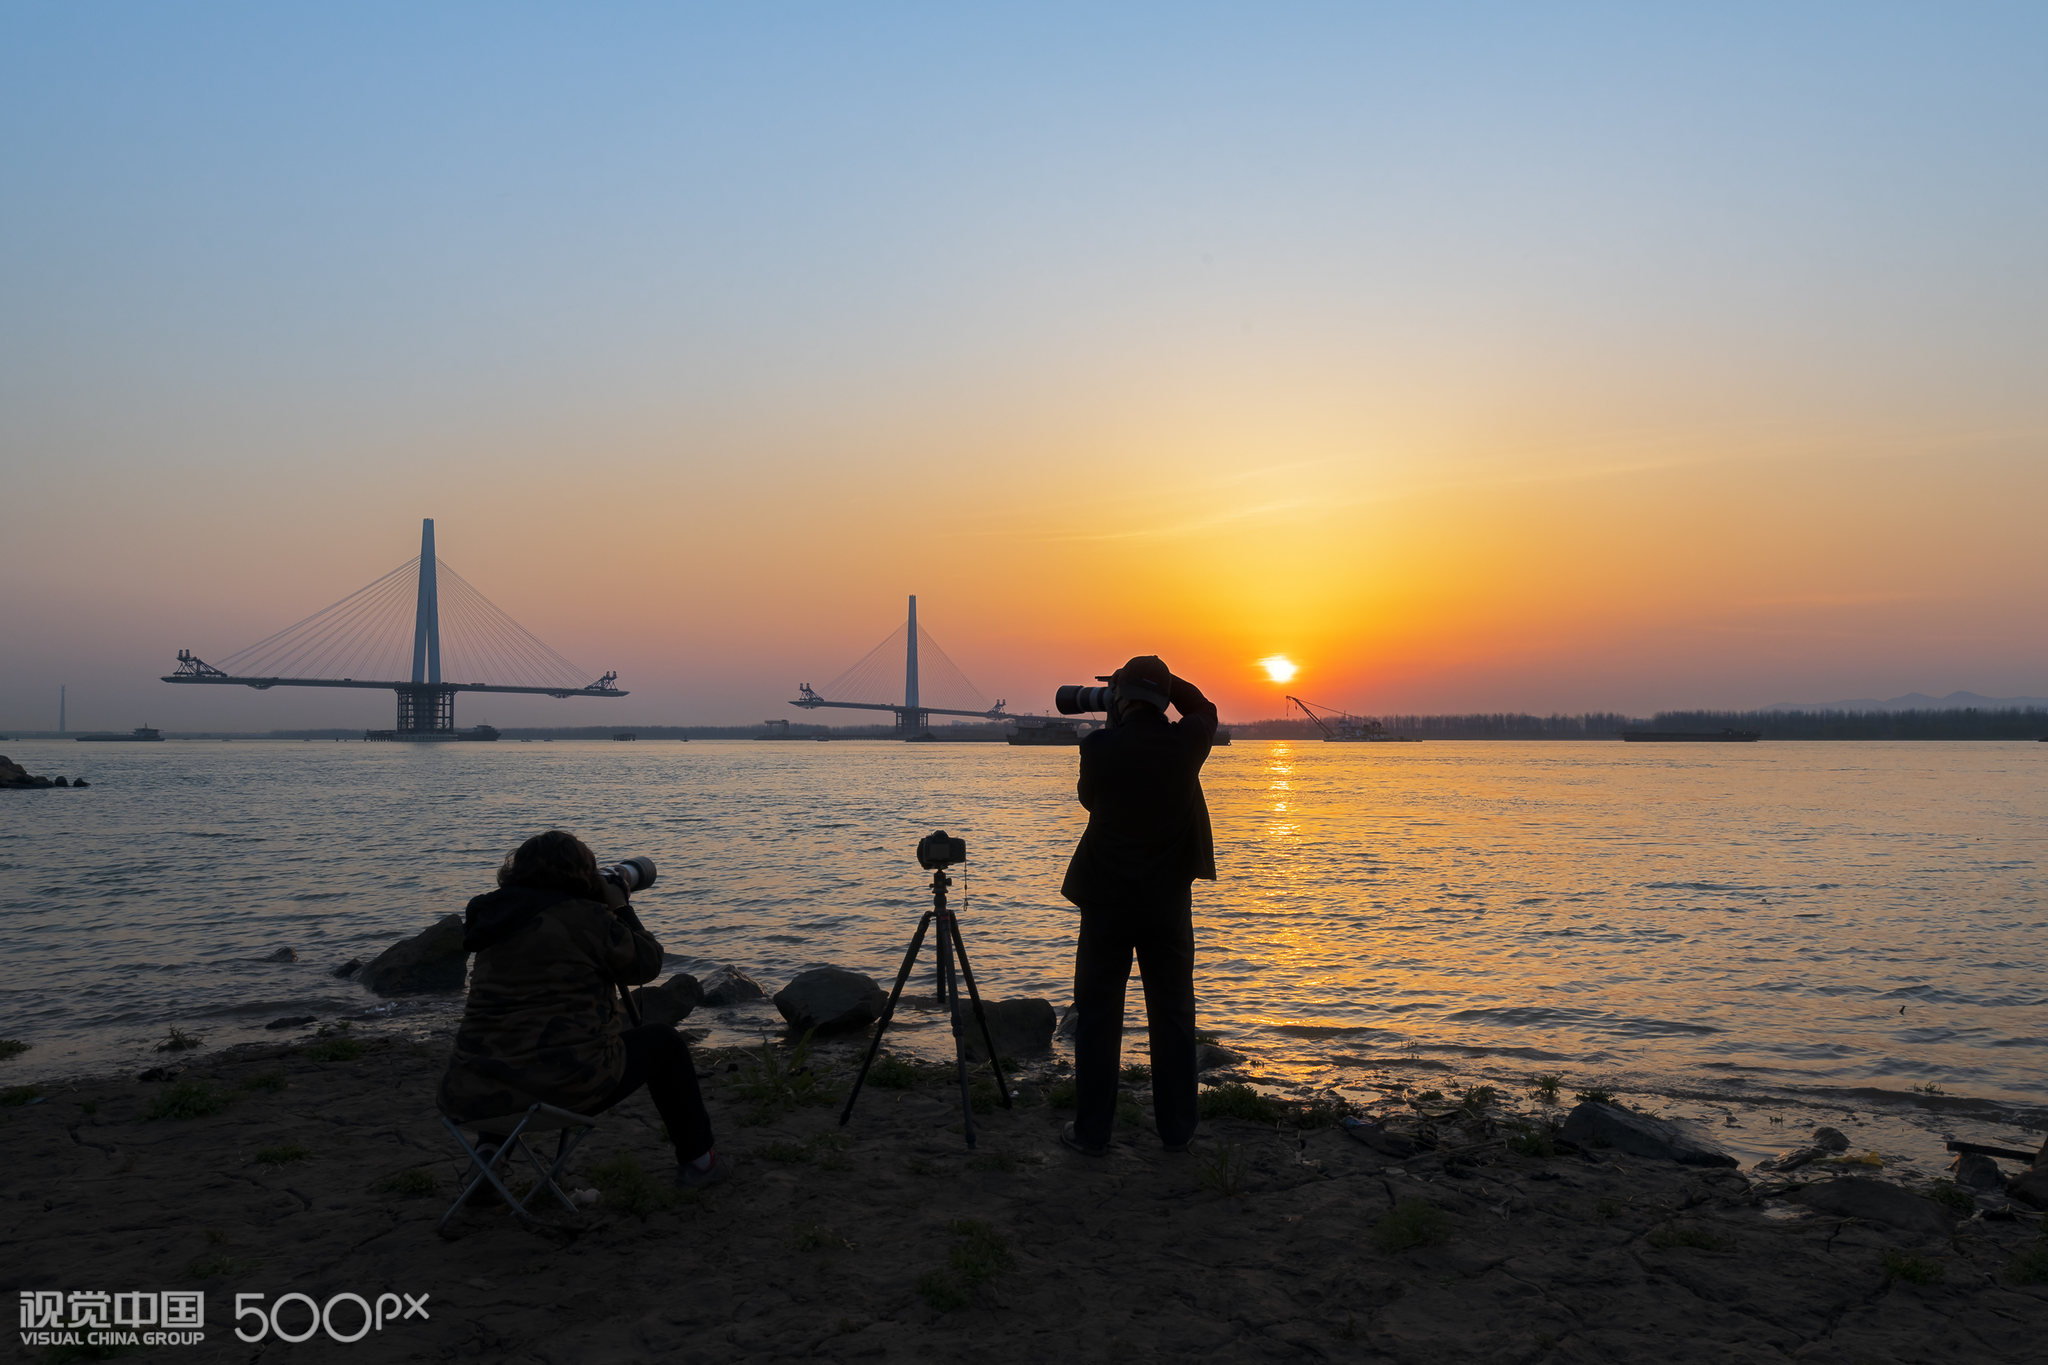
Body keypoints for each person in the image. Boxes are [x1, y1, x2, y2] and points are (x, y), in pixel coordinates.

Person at [437, 829, 728, 1188]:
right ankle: (700, 1161)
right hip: (563, 1088)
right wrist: (620, 905)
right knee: (663, 1043)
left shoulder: (495, 918)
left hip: (470, 1093)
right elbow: (646, 964)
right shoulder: (584, 918)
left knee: (507, 1038)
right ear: (581, 876)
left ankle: (488, 1160)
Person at [1059, 655, 1218, 1155]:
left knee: (1099, 1015)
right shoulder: (1185, 744)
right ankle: (1176, 1130)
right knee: (1172, 1014)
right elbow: (1204, 706)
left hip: (1105, 899)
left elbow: (1091, 801)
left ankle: (1092, 1133)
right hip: (1166, 902)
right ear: (1162, 699)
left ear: (1121, 700)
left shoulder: (1099, 747)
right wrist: (1164, 686)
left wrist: (1121, 704)